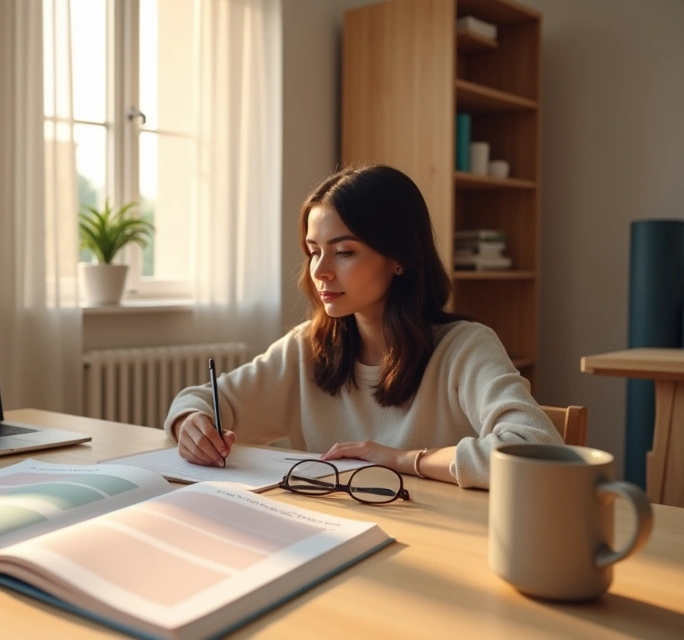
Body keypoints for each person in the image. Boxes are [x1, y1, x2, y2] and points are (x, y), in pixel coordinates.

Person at [165, 164, 561, 489]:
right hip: (332, 535)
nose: (320, 271)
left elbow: (535, 450)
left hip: (436, 545)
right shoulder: (306, 348)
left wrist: (403, 460)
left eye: (344, 252)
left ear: (399, 257)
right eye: (314, 251)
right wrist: (191, 424)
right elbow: (203, 400)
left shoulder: (464, 349)